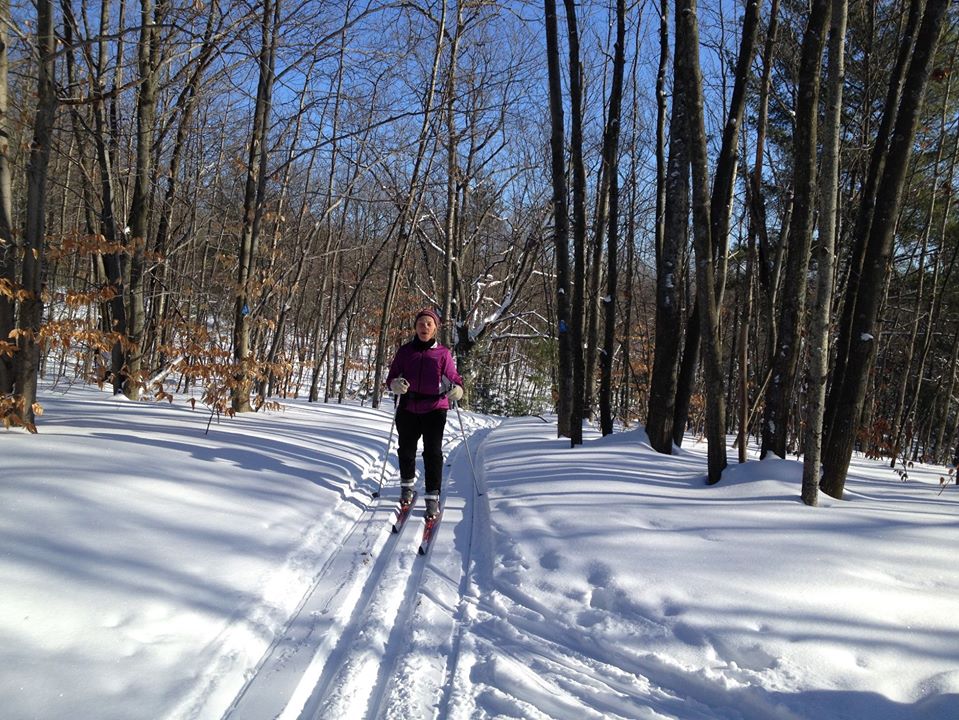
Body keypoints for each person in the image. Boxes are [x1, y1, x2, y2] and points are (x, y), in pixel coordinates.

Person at [385, 307, 464, 519]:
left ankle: (432, 495)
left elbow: (454, 378)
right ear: (415, 327)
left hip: (435, 408)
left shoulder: (443, 354)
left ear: (435, 328)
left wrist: (457, 388)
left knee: (433, 452)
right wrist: (395, 384)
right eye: (421, 324)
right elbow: (391, 377)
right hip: (408, 407)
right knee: (406, 450)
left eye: (429, 324)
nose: (424, 327)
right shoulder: (405, 351)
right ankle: (407, 487)